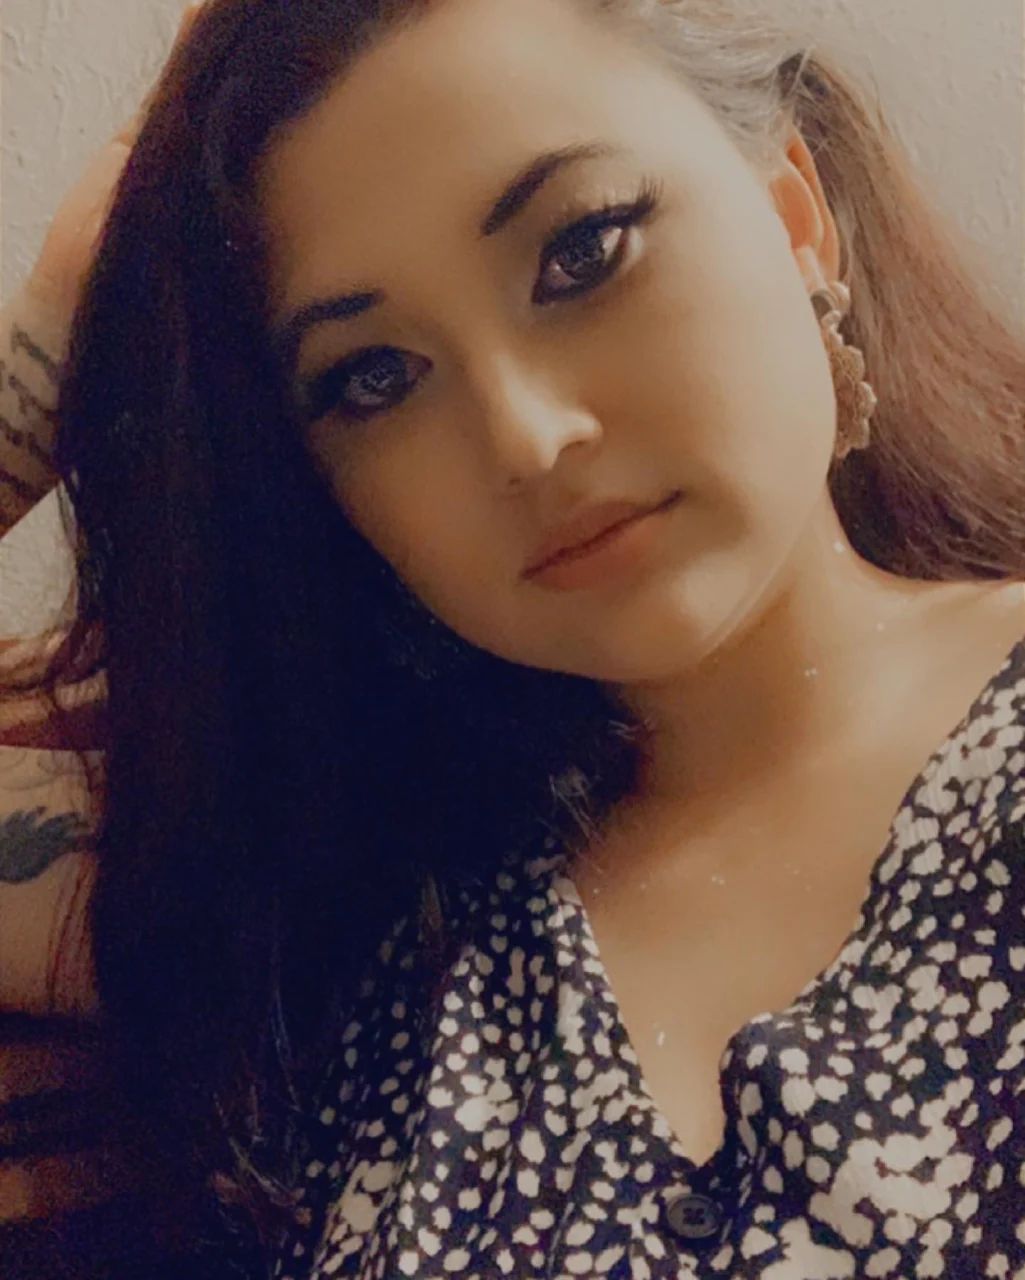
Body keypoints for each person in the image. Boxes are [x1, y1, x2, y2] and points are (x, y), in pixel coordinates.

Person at [7, 0, 1025, 1275]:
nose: (525, 436)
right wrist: (51, 341)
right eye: (374, 376)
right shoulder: (345, 904)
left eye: (583, 252)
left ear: (790, 215)